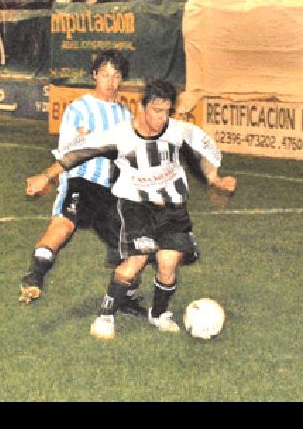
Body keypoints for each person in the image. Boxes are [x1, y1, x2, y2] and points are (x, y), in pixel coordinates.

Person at [26, 78, 236, 340]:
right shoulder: (120, 135)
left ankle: (158, 314)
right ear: (142, 107)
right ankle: (104, 317)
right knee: (136, 260)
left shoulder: (179, 131)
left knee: (168, 263)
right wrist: (45, 176)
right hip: (136, 207)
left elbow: (205, 154)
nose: (162, 118)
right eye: (157, 111)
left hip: (173, 209)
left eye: (167, 111)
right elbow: (76, 154)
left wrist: (215, 179)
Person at [19, 50, 147, 318]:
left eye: (116, 76)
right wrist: (49, 176)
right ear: (94, 76)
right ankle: (35, 276)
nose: (110, 82)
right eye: (104, 75)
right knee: (64, 224)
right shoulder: (79, 108)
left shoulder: (124, 114)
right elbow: (67, 152)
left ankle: (125, 299)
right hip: (80, 181)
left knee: (131, 248)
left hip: (110, 190)